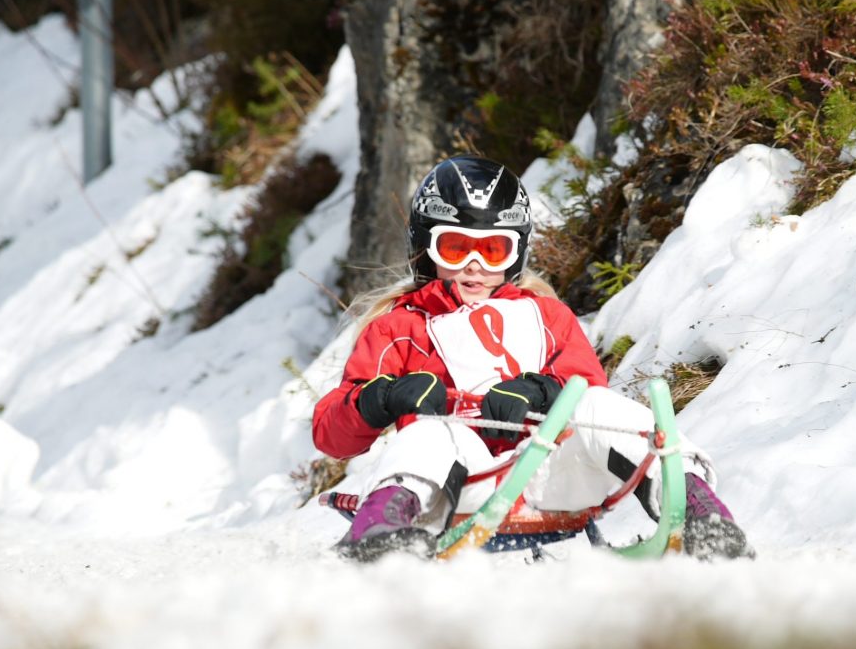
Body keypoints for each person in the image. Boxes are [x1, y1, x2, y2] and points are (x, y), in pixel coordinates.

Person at [312, 154, 752, 562]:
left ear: (516, 252)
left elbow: (585, 386)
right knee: (429, 435)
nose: (473, 265)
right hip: (461, 486)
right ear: (424, 247)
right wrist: (382, 398)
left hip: (551, 473)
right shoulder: (399, 328)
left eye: (491, 251)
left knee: (599, 407)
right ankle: (379, 533)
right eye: (455, 248)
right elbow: (332, 434)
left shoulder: (545, 316)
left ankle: (695, 508)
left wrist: (543, 391)